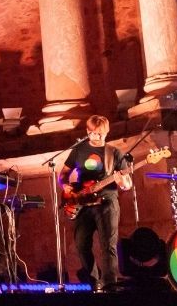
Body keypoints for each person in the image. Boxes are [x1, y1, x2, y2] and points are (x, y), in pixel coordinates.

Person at [60, 115, 127, 291]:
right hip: (83, 203)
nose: (98, 137)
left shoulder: (114, 153)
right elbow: (63, 174)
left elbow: (127, 184)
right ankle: (94, 281)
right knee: (81, 244)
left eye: (102, 134)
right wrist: (66, 186)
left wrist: (122, 181)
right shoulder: (78, 150)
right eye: (94, 134)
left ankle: (111, 284)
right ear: (88, 132)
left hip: (107, 202)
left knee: (108, 245)